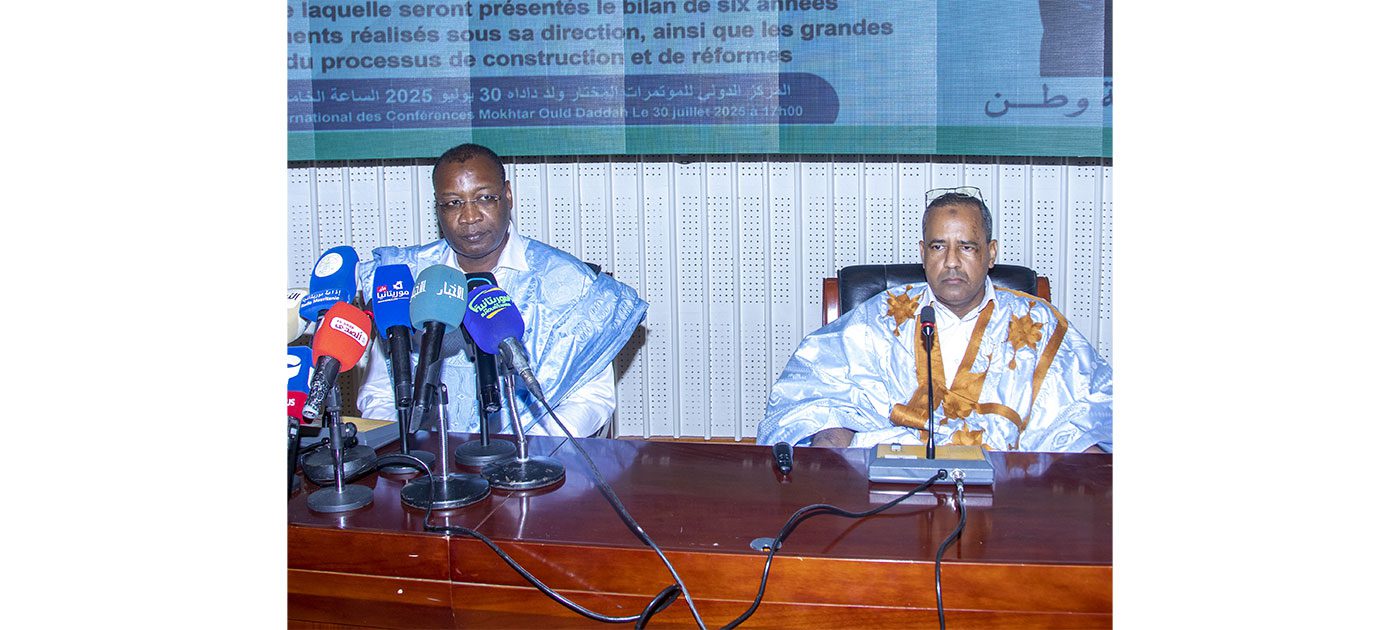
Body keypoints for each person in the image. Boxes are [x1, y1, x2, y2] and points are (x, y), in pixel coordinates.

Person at [758, 188, 1111, 452]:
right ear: (923, 253)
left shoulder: (1037, 324)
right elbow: (817, 399)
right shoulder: (879, 317)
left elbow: (1084, 417)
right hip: (889, 489)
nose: (952, 261)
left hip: (1005, 493)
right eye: (938, 246)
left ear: (990, 254)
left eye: (967, 247)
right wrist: (830, 453)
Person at [356, 143, 647, 437]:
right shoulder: (405, 280)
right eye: (453, 203)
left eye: (484, 198)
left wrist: (530, 450)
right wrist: (406, 448)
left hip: (533, 452)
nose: (470, 217)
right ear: (438, 208)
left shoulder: (572, 284)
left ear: (507, 195)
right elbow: (380, 395)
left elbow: (591, 399)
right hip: (427, 455)